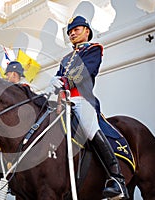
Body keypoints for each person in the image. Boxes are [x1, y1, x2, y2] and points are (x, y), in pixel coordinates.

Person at [49, 16, 128, 199]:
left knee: (90, 129)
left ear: (86, 31)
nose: (72, 34)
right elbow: (58, 77)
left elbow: (86, 71)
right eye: (70, 32)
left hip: (81, 100)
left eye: (76, 29)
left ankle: (117, 179)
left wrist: (63, 81)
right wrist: (53, 81)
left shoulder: (94, 49)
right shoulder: (66, 58)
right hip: (64, 104)